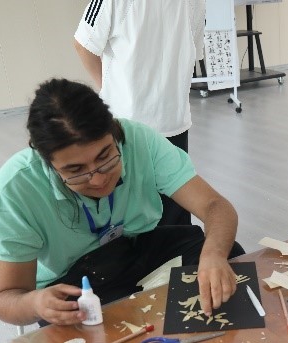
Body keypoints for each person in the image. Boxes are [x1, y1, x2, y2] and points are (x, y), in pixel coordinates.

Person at [0, 78, 243, 326]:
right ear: (47, 162)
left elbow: (215, 206)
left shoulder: (138, 139)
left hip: (139, 245)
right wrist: (35, 304)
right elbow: (5, 297)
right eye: (76, 170)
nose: (97, 180)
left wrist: (214, 254)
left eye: (106, 157)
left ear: (114, 131)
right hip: (72, 281)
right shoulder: (14, 190)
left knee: (227, 260)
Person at [73, 0, 205, 226]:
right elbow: (83, 44)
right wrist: (107, 91)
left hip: (173, 120)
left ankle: (177, 257)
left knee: (175, 209)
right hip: (127, 125)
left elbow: (191, 47)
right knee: (131, 213)